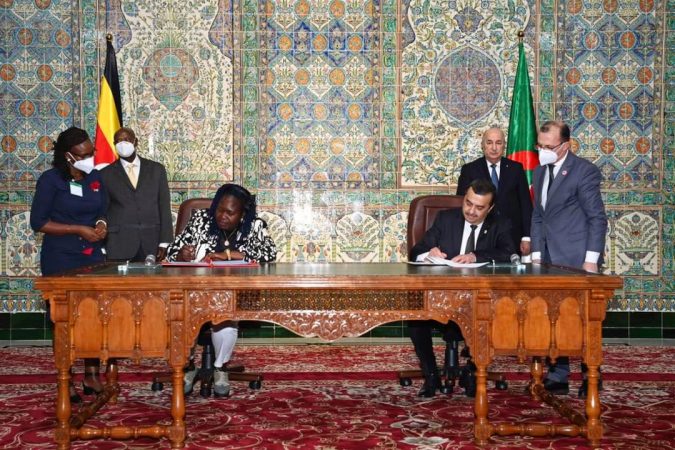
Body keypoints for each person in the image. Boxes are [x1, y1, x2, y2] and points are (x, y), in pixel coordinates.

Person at [165, 183, 277, 397]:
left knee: (225, 316)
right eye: (219, 209)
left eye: (230, 212)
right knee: (181, 315)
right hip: (197, 290)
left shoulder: (254, 226)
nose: (222, 216)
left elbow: (269, 253)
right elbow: (171, 252)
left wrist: (228, 255)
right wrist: (182, 254)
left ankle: (220, 367)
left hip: (233, 293)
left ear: (242, 214)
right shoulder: (200, 220)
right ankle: (188, 366)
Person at [408, 178, 516, 397]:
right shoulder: (446, 219)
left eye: (479, 207)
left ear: (490, 208)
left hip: (478, 299)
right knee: (415, 317)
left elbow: (508, 253)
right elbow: (416, 251)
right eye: (468, 203)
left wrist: (475, 256)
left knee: (494, 316)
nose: (471, 211)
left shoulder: (500, 223)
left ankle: (472, 371)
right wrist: (429, 253)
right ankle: (431, 374)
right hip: (441, 297)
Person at [30, 127, 108, 403]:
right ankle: (66, 379)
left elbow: (103, 210)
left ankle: (91, 375)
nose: (89, 158)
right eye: (83, 155)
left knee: (94, 316)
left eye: (91, 153)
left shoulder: (95, 177)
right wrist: (78, 229)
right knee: (63, 320)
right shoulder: (50, 181)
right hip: (61, 258)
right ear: (68, 156)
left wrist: (101, 224)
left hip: (92, 257)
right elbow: (38, 222)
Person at [531, 120, 608, 396]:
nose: (543, 151)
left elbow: (597, 218)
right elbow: (538, 216)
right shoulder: (539, 172)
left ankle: (591, 375)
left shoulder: (584, 171)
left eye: (549, 147)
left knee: (583, 320)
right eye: (539, 146)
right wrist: (536, 255)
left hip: (577, 259)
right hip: (548, 260)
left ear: (566, 145)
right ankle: (558, 374)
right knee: (552, 317)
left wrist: (591, 260)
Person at [100, 127, 173, 262]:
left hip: (151, 242)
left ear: (135, 142)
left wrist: (164, 242)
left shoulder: (157, 170)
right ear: (114, 144)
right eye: (118, 141)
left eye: (126, 139)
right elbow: (102, 209)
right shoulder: (105, 174)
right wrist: (102, 246)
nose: (123, 143)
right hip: (118, 244)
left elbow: (164, 206)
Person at [457, 127, 532, 255]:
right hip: (481, 235)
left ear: (504, 145)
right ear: (482, 145)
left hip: (511, 235)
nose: (494, 148)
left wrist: (526, 237)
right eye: (489, 142)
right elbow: (462, 203)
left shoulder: (516, 169)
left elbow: (525, 204)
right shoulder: (469, 169)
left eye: (498, 143)